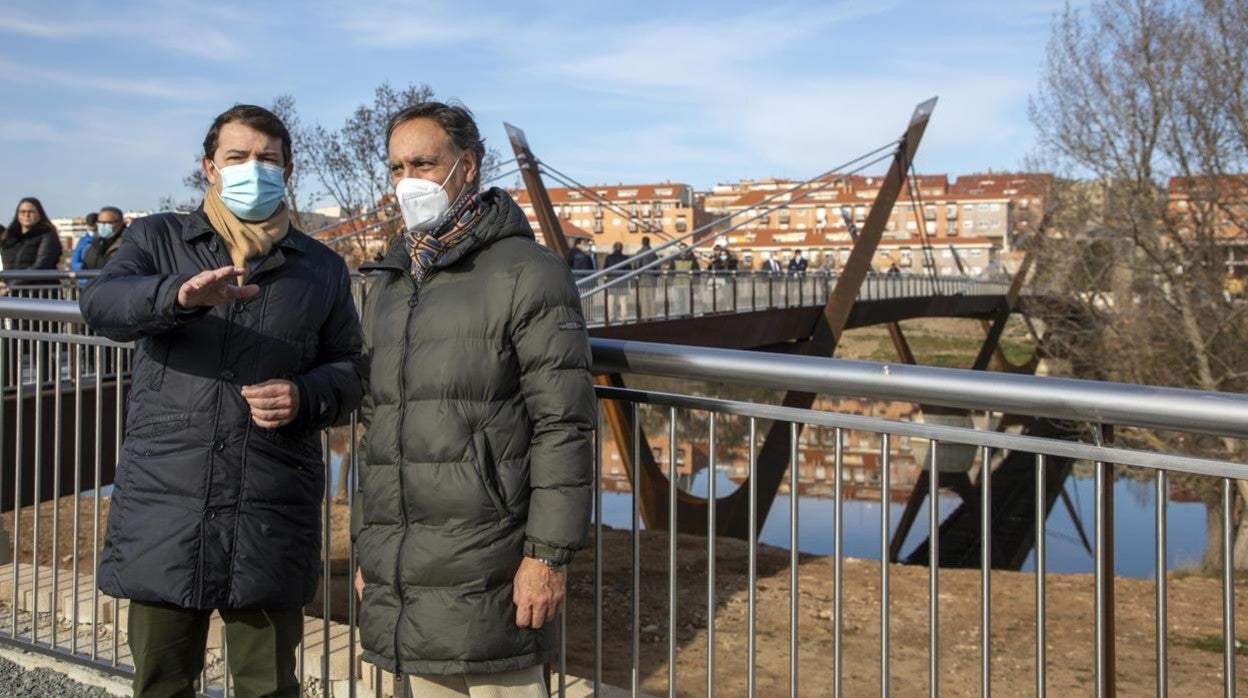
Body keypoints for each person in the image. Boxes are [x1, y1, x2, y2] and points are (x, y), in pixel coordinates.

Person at [79, 104, 364, 698]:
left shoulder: (323, 267)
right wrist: (176, 296)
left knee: (267, 684)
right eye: (237, 157)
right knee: (161, 679)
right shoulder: (158, 237)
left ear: (288, 169)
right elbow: (102, 304)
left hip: (268, 502)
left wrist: (306, 395)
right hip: (167, 499)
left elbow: (352, 368)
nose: (252, 169)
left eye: (268, 158)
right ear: (209, 167)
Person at [354, 101, 594, 698]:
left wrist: (547, 556)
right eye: (396, 167)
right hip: (406, 560)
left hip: (491, 557)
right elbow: (376, 427)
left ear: (468, 166)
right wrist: (369, 545)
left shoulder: (528, 273)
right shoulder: (392, 280)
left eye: (423, 163)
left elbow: (562, 424)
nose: (408, 180)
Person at [2, 197, 62, 272]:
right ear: (17, 214)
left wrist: (14, 282)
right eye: (23, 212)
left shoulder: (47, 234)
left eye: (31, 212)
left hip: (38, 282)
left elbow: (42, 265)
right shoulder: (10, 237)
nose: (27, 215)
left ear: (39, 214)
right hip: (10, 282)